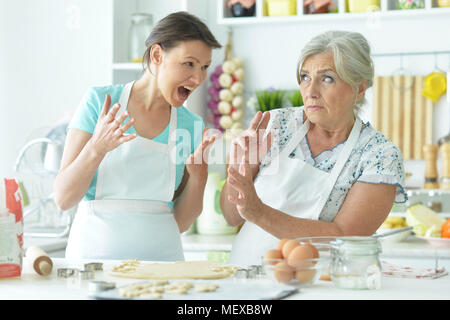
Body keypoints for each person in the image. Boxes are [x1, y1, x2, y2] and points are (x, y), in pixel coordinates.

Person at [220, 30, 407, 265]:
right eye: (305, 77)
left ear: (359, 89)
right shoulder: (275, 126)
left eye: (327, 78)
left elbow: (344, 236)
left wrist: (258, 212)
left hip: (321, 285)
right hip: (245, 277)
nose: (310, 91)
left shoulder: (378, 156)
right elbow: (230, 216)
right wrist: (242, 168)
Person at [54, 11, 222, 261]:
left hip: (163, 266)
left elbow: (182, 222)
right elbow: (63, 198)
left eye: (205, 67)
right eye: (189, 63)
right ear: (157, 55)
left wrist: (198, 179)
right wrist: (96, 148)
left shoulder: (191, 125)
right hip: (93, 264)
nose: (198, 78)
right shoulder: (100, 103)